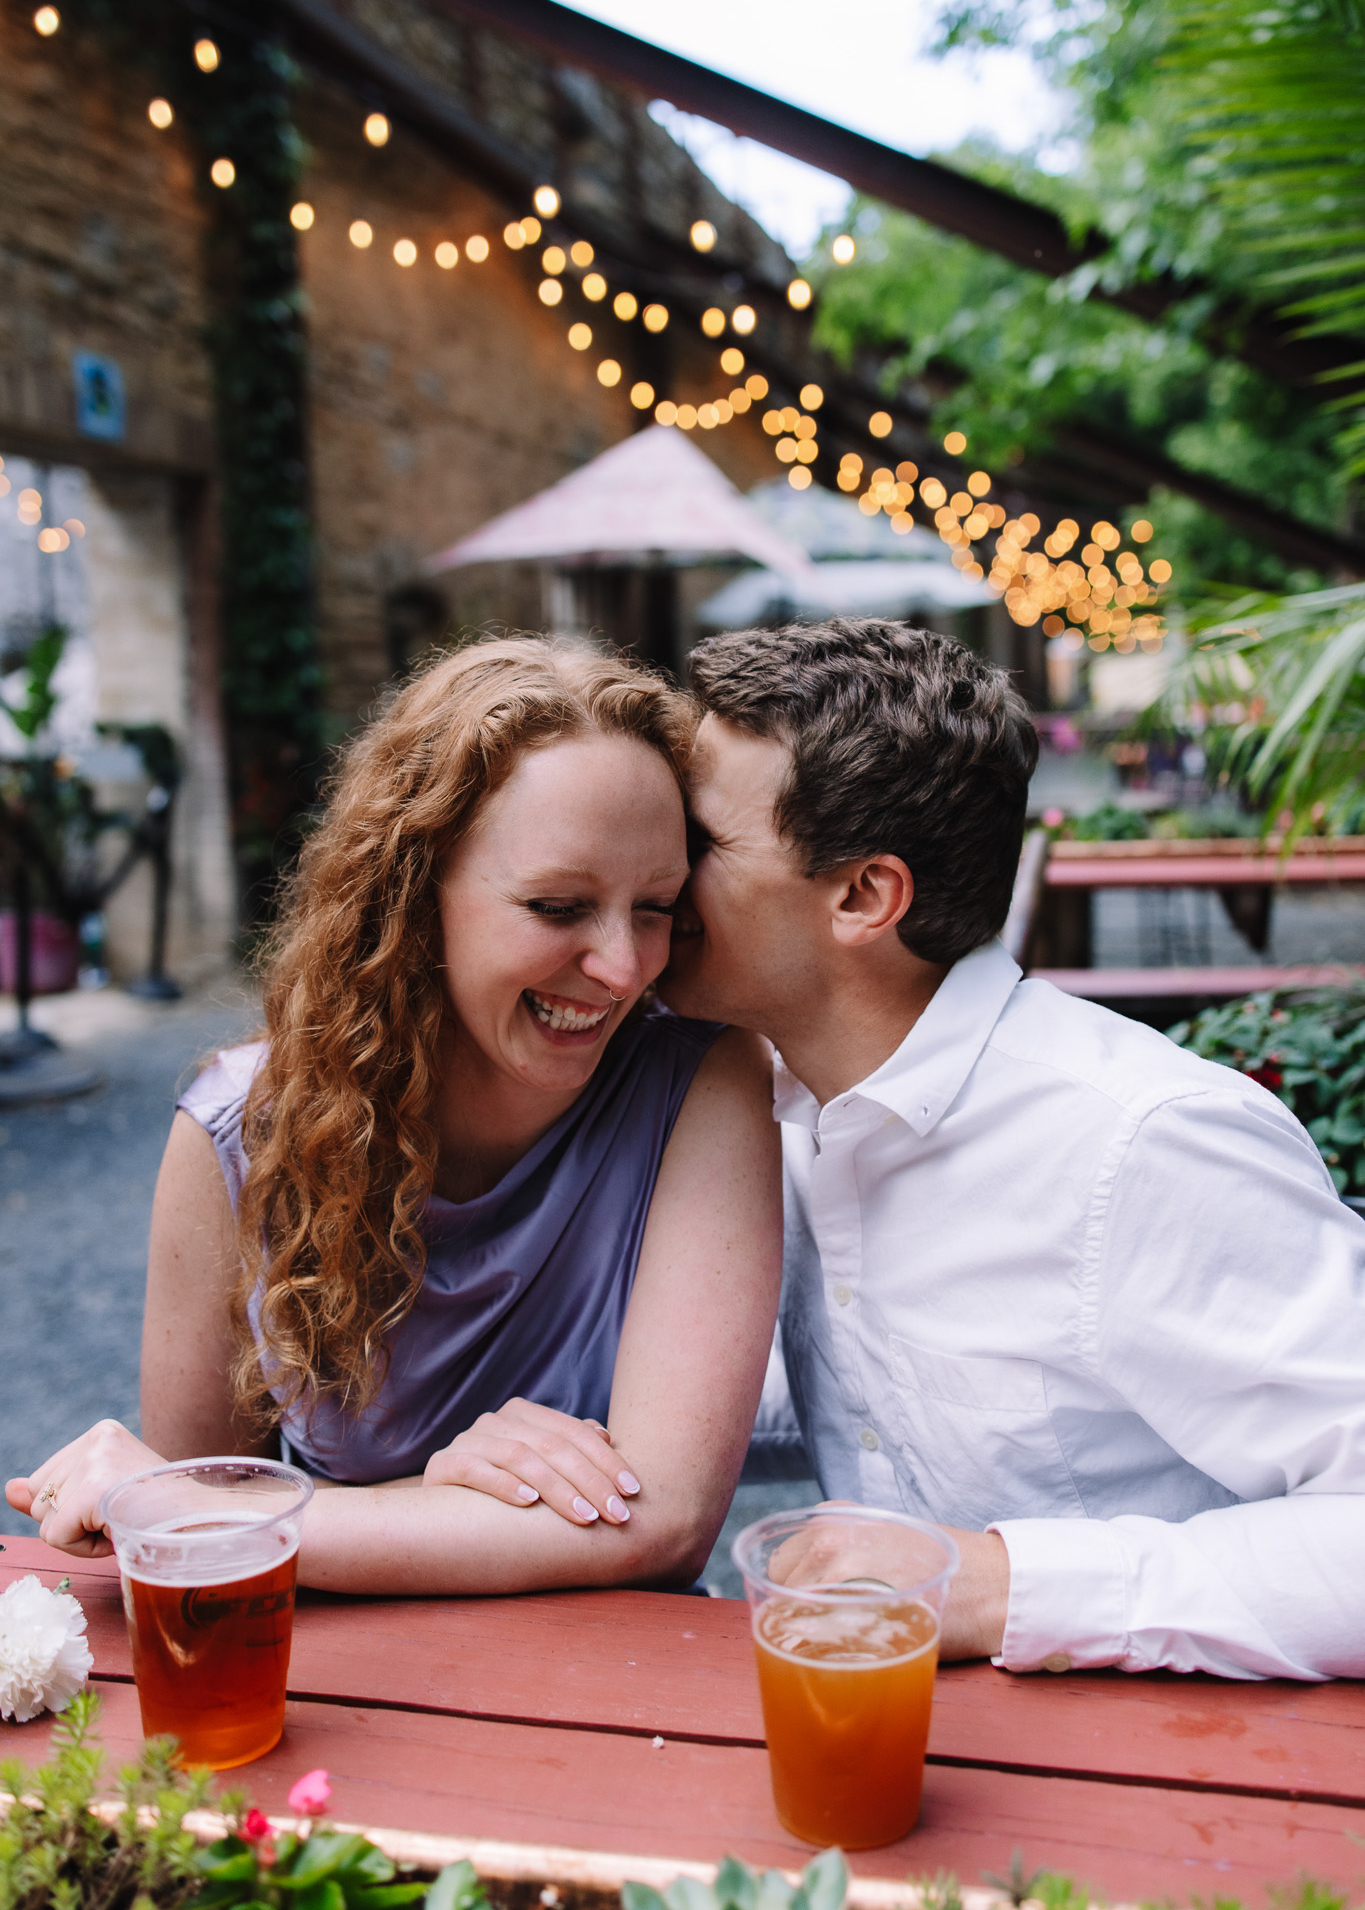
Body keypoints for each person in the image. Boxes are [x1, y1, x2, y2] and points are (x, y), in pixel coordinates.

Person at [658, 616, 1365, 1682]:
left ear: (863, 895)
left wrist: (998, 1579)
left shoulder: (1142, 1144)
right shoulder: (773, 1105)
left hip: (1183, 1783)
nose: (655, 867)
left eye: (697, 840)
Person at [7, 639, 781, 1594]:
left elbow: (662, 1522)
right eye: (556, 906)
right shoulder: (238, 1131)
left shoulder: (701, 1079)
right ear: (415, 894)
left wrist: (249, 1512)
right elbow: (196, 1566)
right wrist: (431, 1498)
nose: (623, 968)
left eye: (656, 906)